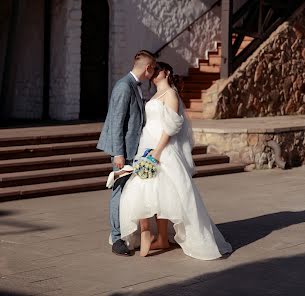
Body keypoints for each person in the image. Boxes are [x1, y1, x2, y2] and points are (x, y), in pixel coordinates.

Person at [119, 62, 232, 260]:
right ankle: (154, 233)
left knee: (166, 192)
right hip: (148, 145)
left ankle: (162, 237)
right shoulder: (154, 95)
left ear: (167, 72)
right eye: (152, 70)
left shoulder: (170, 94)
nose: (154, 74)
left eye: (158, 70)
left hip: (162, 149)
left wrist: (158, 151)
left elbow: (171, 127)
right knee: (148, 189)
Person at [97, 50, 157, 256]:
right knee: (119, 192)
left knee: (128, 193)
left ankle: (127, 232)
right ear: (148, 68)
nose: (154, 73)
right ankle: (116, 239)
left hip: (133, 149)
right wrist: (118, 154)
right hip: (123, 150)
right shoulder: (124, 86)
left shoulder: (135, 86)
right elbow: (116, 122)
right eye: (154, 68)